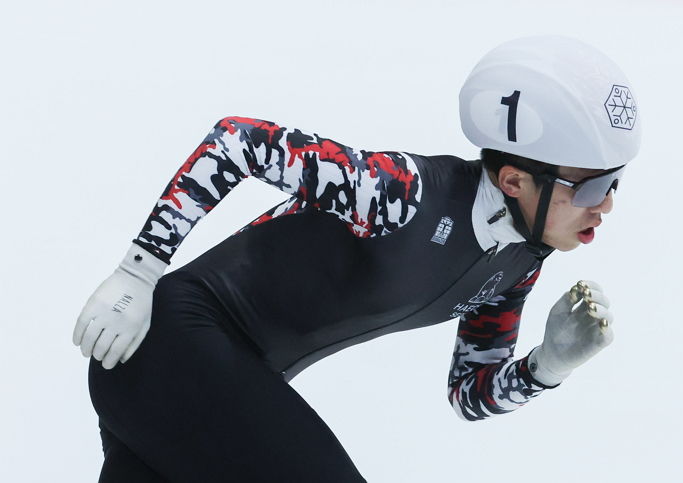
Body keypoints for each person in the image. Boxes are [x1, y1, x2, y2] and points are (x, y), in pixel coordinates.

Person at [74, 35, 641, 482]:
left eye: (616, 184)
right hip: (164, 342)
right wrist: (137, 270)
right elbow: (236, 141)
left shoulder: (520, 262)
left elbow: (470, 393)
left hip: (207, 384)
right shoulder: (404, 193)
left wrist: (549, 367)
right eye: (591, 188)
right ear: (516, 181)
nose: (607, 205)